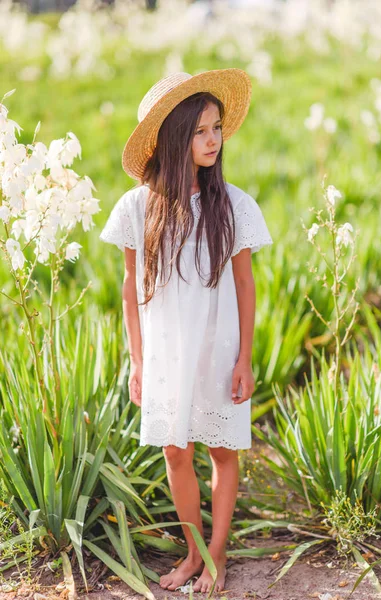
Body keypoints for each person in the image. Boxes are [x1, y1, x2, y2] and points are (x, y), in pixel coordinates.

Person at [99, 69, 273, 594]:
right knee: (176, 450)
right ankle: (193, 553)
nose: (214, 139)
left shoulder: (234, 205)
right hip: (167, 350)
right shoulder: (136, 207)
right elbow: (130, 289)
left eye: (217, 128)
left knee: (222, 450)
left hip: (218, 348)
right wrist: (138, 359)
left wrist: (244, 357)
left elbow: (245, 284)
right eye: (201, 131)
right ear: (174, 137)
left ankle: (215, 556)